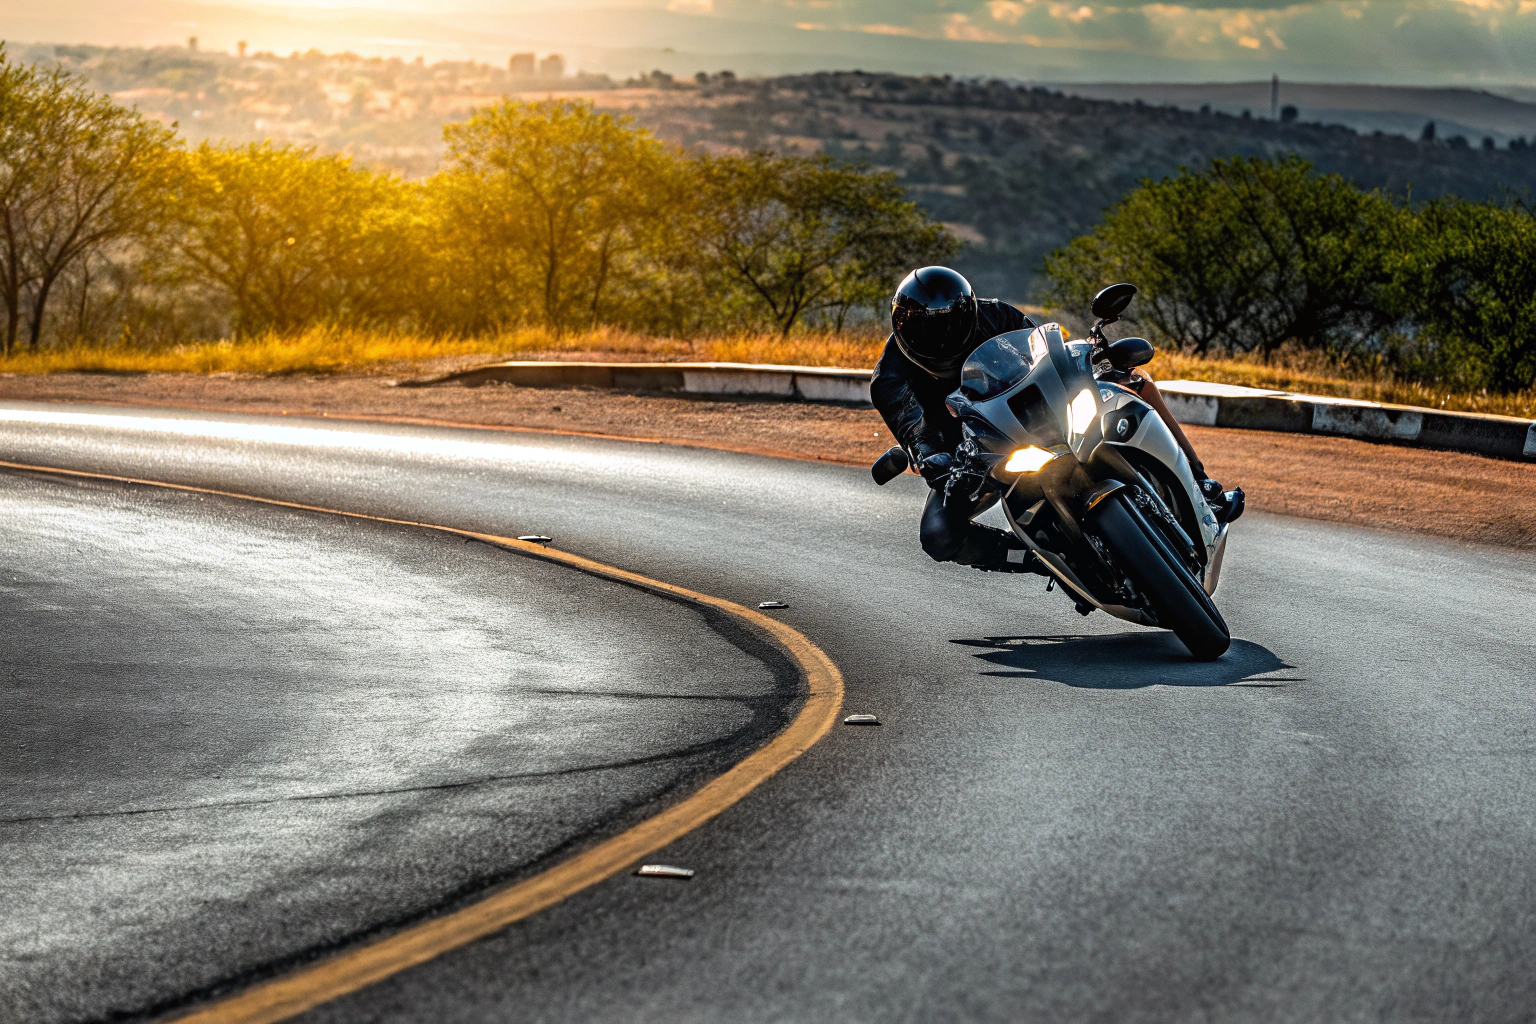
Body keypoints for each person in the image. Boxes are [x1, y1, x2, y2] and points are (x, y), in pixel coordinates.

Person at [869, 266, 1240, 574]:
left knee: (1137, 385)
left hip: (1040, 418)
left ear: (969, 311)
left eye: (950, 324)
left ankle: (1202, 483)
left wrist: (1087, 362)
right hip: (976, 457)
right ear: (901, 328)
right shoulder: (889, 379)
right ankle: (1040, 559)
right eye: (927, 330)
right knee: (937, 534)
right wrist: (932, 458)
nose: (941, 338)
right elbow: (913, 430)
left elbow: (1043, 354)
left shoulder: (996, 314)